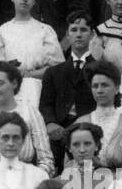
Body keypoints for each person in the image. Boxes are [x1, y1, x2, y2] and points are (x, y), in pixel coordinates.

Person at [0, 0, 65, 108]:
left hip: (39, 89)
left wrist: (29, 74)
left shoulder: (45, 30)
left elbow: (57, 68)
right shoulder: (0, 32)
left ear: (35, 0)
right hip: (9, 90)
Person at [40, 10, 99, 162]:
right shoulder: (53, 72)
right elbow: (46, 103)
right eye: (74, 30)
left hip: (89, 130)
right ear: (67, 34)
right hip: (59, 130)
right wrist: (51, 122)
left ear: (92, 34)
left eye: (84, 30)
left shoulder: (101, 69)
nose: (78, 34)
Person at [75, 60, 122, 171]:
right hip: (86, 183)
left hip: (120, 184)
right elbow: (70, 164)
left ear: (117, 88)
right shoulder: (80, 123)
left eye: (104, 85)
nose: (99, 90)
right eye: (95, 86)